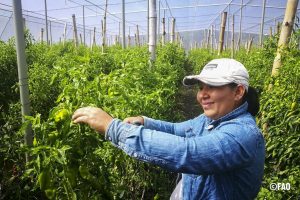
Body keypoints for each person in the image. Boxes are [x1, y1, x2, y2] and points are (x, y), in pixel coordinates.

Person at [72, 58, 265, 200]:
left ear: (238, 91)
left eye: (212, 86)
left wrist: (113, 128)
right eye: (200, 87)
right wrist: (146, 121)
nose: (202, 95)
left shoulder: (243, 134)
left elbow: (188, 153)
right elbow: (178, 130)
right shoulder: (211, 119)